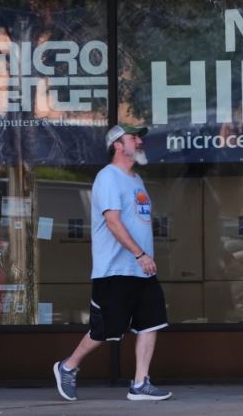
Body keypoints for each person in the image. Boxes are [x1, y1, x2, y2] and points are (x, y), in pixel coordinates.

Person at [53, 124, 171, 401]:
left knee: (151, 323)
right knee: (105, 330)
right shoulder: (108, 177)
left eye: (140, 137)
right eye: (133, 138)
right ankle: (67, 366)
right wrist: (140, 254)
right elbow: (113, 223)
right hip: (115, 270)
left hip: (141, 271)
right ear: (117, 145)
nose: (139, 141)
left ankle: (140, 383)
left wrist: (143, 258)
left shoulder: (136, 180)